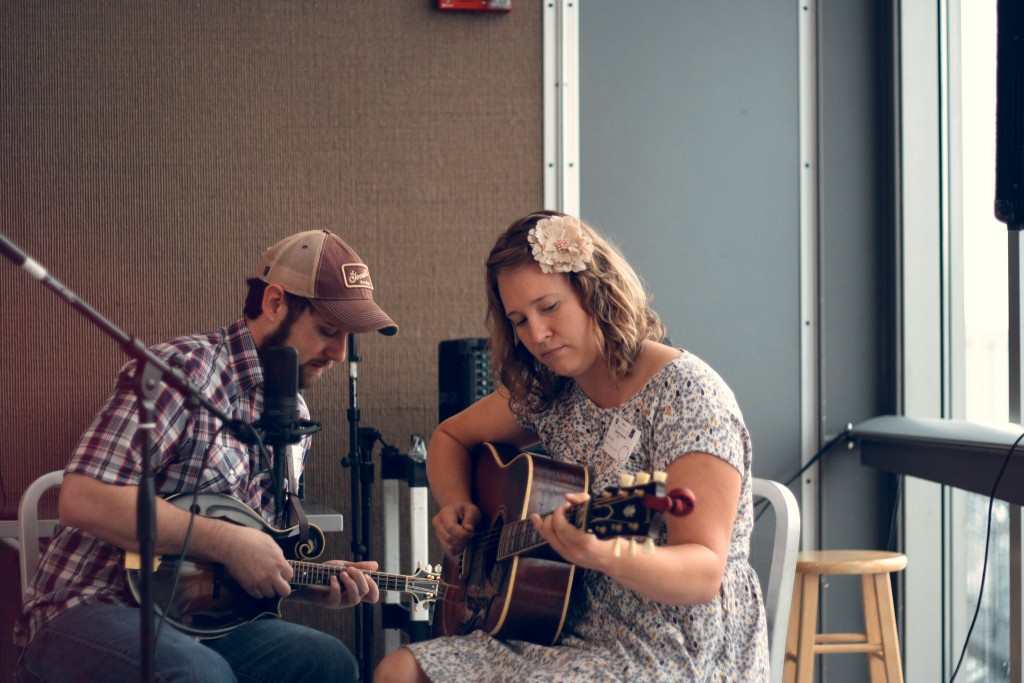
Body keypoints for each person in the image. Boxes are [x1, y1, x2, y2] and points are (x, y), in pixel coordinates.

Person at [374, 211, 769, 682]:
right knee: (400, 670)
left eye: (549, 307)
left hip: (674, 644)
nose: (536, 335)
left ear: (593, 292)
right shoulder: (552, 390)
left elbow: (704, 572)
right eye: (519, 320)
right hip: (560, 627)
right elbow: (450, 437)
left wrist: (605, 555)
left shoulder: (687, 395)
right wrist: (458, 503)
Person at [14, 229, 398, 683]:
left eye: (349, 338)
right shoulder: (181, 370)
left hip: (199, 622)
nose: (338, 353)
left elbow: (243, 557)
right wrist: (228, 542)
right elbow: (83, 499)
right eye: (328, 330)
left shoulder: (294, 414)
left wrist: (308, 581)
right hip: (91, 606)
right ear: (275, 303)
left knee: (328, 662)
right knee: (199, 673)